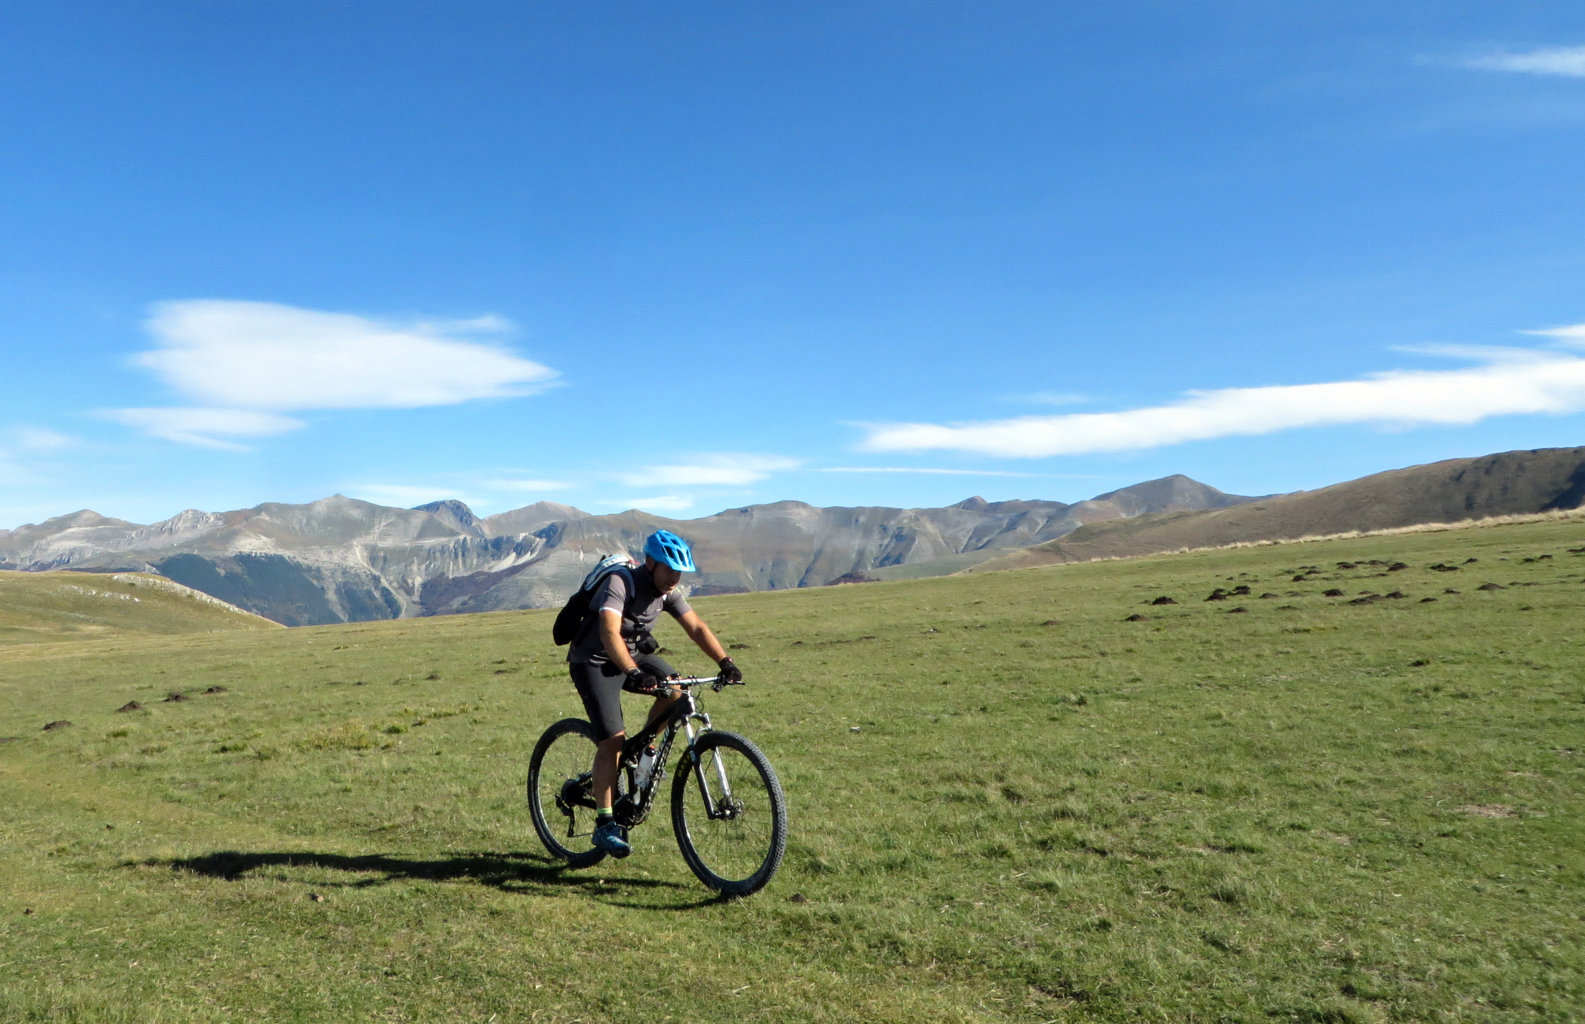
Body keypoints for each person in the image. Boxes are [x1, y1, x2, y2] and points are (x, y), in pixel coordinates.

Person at [565, 528, 742, 857]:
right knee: (612, 741)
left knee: (674, 690)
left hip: (631, 654)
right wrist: (633, 672)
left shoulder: (668, 591)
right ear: (650, 563)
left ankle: (642, 748)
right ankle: (604, 825)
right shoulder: (620, 582)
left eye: (679, 572)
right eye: (669, 569)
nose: (674, 578)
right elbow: (608, 632)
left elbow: (697, 628)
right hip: (594, 660)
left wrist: (725, 662)